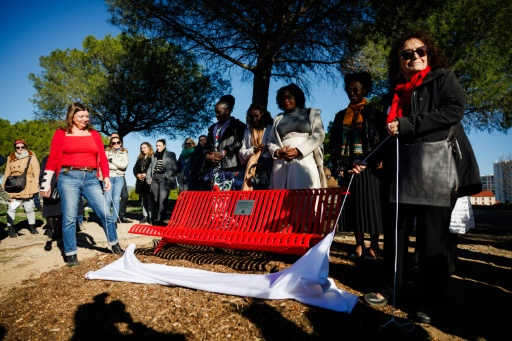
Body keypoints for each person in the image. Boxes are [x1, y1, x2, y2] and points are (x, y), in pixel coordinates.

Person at [360, 31, 482, 324]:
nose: (415, 56)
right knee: (396, 233)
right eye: (407, 54)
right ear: (399, 63)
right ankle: (392, 289)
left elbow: (454, 110)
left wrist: (408, 124)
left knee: (432, 239)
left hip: (435, 168)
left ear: (429, 53)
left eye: (420, 51)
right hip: (399, 170)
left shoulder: (443, 79)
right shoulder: (394, 94)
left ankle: (431, 300)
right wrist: (367, 160)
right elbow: (389, 136)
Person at [40, 102, 123, 267]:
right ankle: (71, 254)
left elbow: (103, 157)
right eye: (81, 116)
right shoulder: (61, 133)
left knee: (105, 213)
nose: (85, 119)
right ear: (72, 116)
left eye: (87, 116)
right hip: (68, 177)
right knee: (70, 217)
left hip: (91, 178)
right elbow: (53, 159)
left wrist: (106, 177)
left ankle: (115, 244)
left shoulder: (94, 134)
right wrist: (45, 183)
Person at [329, 72, 386, 259]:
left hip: (368, 164)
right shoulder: (339, 116)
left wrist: (379, 160)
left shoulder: (374, 113)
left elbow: (382, 140)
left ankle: (374, 245)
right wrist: (338, 166)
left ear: (365, 90)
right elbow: (335, 143)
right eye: (349, 90)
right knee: (354, 206)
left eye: (356, 89)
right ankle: (359, 244)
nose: (352, 92)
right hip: (348, 165)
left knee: (371, 206)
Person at [267, 84, 326, 189]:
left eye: (289, 97)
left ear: (297, 98)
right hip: (281, 163)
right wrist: (278, 151)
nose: (286, 100)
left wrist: (298, 150)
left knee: (306, 197)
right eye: (283, 98)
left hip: (304, 160)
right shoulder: (278, 119)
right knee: (282, 199)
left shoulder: (311, 113)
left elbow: (319, 134)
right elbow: (270, 141)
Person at [204, 95, 246, 191]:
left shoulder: (238, 126)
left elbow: (240, 142)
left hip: (232, 169)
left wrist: (224, 151)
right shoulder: (212, 128)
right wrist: (207, 156)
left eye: (218, 112)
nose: (216, 115)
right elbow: (206, 147)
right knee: (216, 201)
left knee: (232, 200)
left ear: (228, 110)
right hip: (215, 171)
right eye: (215, 112)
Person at [3, 139, 41, 236]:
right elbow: (7, 173)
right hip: (13, 185)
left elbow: (36, 172)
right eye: (17, 147)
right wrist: (3, 186)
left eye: (22, 147)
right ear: (15, 148)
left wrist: (36, 184)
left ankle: (32, 226)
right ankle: (11, 228)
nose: (20, 149)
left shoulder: (31, 157)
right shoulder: (10, 158)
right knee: (11, 207)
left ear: (25, 147)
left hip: (26, 184)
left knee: (29, 207)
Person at [239, 103, 274, 190]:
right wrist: (254, 150)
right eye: (252, 116)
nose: (254, 119)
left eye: (257, 116)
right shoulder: (248, 131)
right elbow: (242, 151)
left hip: (268, 168)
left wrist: (262, 153)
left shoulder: (270, 129)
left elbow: (272, 146)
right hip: (251, 168)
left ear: (263, 115)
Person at [146, 139, 178, 225]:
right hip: (155, 178)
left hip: (164, 178)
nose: (158, 147)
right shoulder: (153, 156)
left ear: (164, 146)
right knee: (156, 199)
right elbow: (150, 168)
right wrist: (148, 178)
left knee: (162, 199)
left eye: (159, 145)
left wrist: (166, 175)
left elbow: (175, 167)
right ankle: (159, 217)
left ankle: (160, 219)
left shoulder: (171, 154)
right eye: (156, 146)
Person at [105, 136, 129, 225]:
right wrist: (117, 166)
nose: (116, 144)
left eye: (118, 142)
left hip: (119, 178)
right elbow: (105, 165)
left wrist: (112, 161)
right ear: (111, 144)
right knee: (107, 199)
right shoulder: (106, 152)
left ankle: (114, 220)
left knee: (116, 199)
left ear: (120, 143)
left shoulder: (125, 153)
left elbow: (124, 166)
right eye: (114, 143)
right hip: (109, 177)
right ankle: (107, 220)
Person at [133, 142, 154, 224]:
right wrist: (137, 174)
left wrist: (146, 174)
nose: (143, 149)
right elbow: (134, 168)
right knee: (143, 200)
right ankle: (145, 216)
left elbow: (153, 168)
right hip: (140, 182)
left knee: (150, 200)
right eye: (142, 148)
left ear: (149, 148)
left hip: (148, 181)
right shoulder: (139, 158)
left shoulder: (152, 157)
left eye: (145, 147)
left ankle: (151, 217)